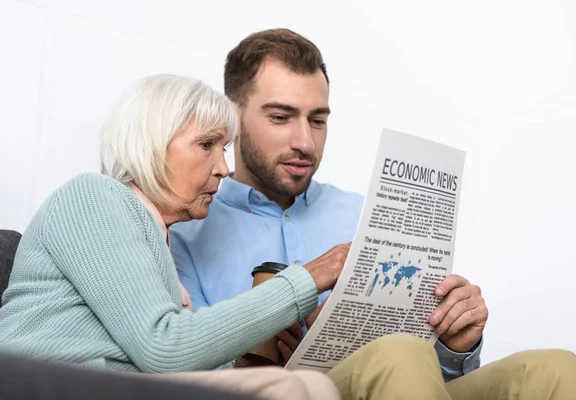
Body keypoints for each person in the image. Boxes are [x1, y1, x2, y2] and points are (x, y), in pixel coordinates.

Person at [169, 29, 576, 399]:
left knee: (555, 369)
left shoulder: (363, 213)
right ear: (233, 115)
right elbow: (182, 365)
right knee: (399, 354)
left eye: (318, 120)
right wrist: (257, 361)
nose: (305, 141)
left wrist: (455, 344)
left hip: (404, 384)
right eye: (281, 117)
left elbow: (436, 374)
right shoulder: (186, 231)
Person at [0, 74, 343, 400]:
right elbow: (162, 348)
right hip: (47, 385)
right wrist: (307, 279)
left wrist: (241, 367)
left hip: (108, 385)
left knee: (309, 384)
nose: (223, 168)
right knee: (288, 390)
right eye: (207, 144)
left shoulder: (155, 240)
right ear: (149, 146)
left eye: (223, 148)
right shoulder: (92, 196)